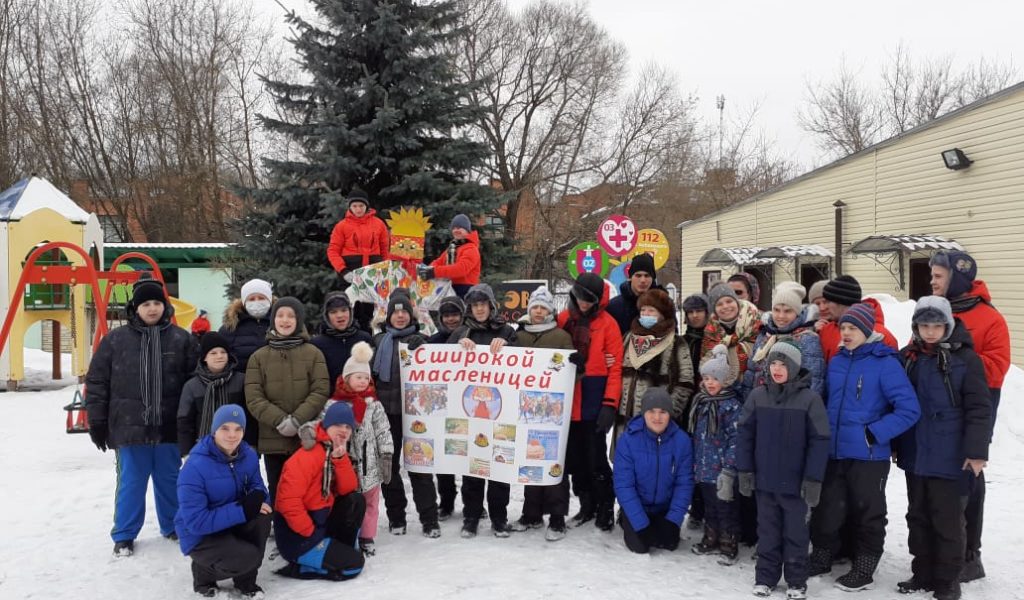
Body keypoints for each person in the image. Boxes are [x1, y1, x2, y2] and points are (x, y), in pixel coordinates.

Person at [809, 303, 920, 592]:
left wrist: (874, 434)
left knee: (867, 512)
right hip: (835, 451)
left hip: (869, 456)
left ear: (867, 331)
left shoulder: (885, 363)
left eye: (853, 328)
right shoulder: (837, 361)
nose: (845, 333)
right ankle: (821, 557)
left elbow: (909, 409)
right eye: (843, 328)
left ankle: (865, 567)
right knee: (827, 508)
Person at [85, 276, 198, 557]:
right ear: (135, 308)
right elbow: (97, 382)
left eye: (157, 303)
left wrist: (192, 422)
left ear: (165, 306)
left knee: (170, 479)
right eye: (145, 304)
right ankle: (124, 534)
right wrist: (97, 421)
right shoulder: (115, 341)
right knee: (130, 484)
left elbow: (195, 383)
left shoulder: (181, 339)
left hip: (169, 428)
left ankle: (173, 525)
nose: (152, 309)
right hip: (129, 428)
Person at [896, 296, 991, 600]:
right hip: (915, 452)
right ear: (916, 326)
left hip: (951, 456)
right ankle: (922, 572)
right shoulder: (908, 357)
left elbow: (979, 408)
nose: (931, 331)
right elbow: (898, 404)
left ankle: (948, 580)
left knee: (948, 520)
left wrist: (976, 452)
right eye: (924, 325)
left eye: (937, 325)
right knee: (918, 516)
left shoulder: (966, 360)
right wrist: (897, 445)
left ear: (947, 325)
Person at [929, 250, 1010, 583]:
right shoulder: (933, 312)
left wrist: (957, 362)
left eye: (938, 276)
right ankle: (940, 550)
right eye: (931, 275)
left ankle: (968, 555)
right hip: (937, 413)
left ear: (957, 277)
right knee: (937, 482)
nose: (931, 281)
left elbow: (997, 368)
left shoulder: (989, 318)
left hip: (974, 411)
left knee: (966, 479)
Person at [737, 341, 831, 599]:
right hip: (765, 483)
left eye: (783, 364)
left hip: (796, 486)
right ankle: (765, 578)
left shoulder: (810, 400)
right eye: (773, 364)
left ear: (795, 367)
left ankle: (796, 581)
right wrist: (745, 470)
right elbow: (745, 434)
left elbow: (820, 441)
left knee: (796, 535)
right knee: (767, 533)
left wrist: (813, 479)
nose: (777, 369)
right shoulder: (757, 396)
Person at [302, 341, 393, 557]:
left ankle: (367, 536)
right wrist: (309, 431)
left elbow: (383, 430)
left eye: (365, 378)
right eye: (357, 377)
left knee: (371, 503)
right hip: (343, 464)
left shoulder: (374, 405)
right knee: (347, 503)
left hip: (370, 466)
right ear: (346, 378)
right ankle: (348, 534)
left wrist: (386, 454)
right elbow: (321, 423)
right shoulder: (334, 403)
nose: (362, 381)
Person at [175, 404, 272, 598]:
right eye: (225, 428)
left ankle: (246, 581)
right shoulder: (194, 467)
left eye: (238, 429)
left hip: (230, 523)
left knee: (263, 516)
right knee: (248, 557)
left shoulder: (248, 455)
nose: (232, 435)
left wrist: (258, 497)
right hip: (199, 535)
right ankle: (204, 574)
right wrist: (242, 510)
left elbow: (258, 487)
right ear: (214, 431)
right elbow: (195, 522)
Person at [448, 283, 518, 537]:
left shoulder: (507, 331)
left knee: (499, 467)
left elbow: (523, 365)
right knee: (473, 468)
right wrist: (457, 345)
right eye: (475, 305)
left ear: (491, 305)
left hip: (500, 412)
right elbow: (444, 363)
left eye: (483, 304)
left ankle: (499, 518)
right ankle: (471, 517)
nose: (479, 309)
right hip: (471, 413)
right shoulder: (461, 332)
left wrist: (508, 346)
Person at [245, 297, 330, 503]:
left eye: (291, 316)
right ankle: (281, 530)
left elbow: (320, 390)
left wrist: (297, 420)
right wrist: (280, 421)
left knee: (307, 488)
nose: (285, 320)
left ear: (299, 320)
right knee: (278, 487)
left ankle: (306, 532)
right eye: (280, 315)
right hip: (273, 437)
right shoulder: (258, 357)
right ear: (273, 319)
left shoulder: (313, 353)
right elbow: (254, 397)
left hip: (305, 435)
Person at [557, 273, 623, 531]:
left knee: (596, 459)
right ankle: (586, 505)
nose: (584, 303)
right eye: (581, 297)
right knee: (575, 460)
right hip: (567, 401)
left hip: (594, 399)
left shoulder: (608, 324)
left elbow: (616, 367)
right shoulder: (563, 320)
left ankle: (605, 505)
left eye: (590, 300)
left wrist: (609, 404)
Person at [510, 285, 576, 541]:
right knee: (531, 461)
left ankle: (557, 517)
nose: (538, 312)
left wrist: (575, 366)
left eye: (543, 308)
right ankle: (531, 513)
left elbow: (571, 375)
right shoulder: (520, 335)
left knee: (554, 462)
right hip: (526, 410)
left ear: (550, 311)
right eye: (535, 307)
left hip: (553, 413)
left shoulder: (560, 336)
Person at [371, 290, 439, 537]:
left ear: (411, 314)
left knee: (420, 467)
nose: (400, 316)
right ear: (388, 315)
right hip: (386, 415)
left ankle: (429, 519)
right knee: (388, 468)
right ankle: (396, 517)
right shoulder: (378, 342)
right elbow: (369, 377)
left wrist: (426, 350)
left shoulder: (423, 340)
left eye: (404, 311)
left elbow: (438, 374)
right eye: (395, 312)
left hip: (416, 415)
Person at [274, 402, 366, 581]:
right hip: (298, 537)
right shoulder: (306, 456)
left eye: (348, 426)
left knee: (356, 500)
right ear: (326, 425)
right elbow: (288, 502)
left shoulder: (332, 450)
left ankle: (336, 549)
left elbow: (348, 489)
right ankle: (301, 568)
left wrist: (340, 460)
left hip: (320, 523)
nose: (344, 430)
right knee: (354, 565)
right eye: (338, 424)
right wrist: (310, 533)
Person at [613, 387, 694, 554]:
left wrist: (673, 520)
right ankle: (626, 517)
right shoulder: (628, 440)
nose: (657, 417)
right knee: (641, 546)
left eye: (663, 412)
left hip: (665, 507)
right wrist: (640, 524)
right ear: (644, 413)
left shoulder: (682, 441)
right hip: (639, 505)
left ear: (670, 414)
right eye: (651, 411)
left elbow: (684, 484)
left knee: (668, 543)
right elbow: (624, 485)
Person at [688, 344, 743, 564]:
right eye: (706, 378)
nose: (710, 383)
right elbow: (696, 435)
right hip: (703, 466)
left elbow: (736, 440)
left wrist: (729, 467)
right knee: (710, 506)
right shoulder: (701, 402)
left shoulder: (730, 406)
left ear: (725, 380)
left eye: (715, 379)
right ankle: (710, 538)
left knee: (726, 507)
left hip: (722, 469)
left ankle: (728, 543)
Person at [616, 289, 694, 442]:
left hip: (657, 422)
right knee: (626, 462)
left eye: (651, 310)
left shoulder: (675, 342)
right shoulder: (628, 338)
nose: (645, 314)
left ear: (663, 314)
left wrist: (667, 411)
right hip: (624, 421)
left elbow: (685, 383)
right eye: (643, 310)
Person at [741, 281, 825, 399]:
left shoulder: (806, 339)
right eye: (776, 310)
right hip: (760, 404)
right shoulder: (765, 336)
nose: (781, 316)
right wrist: (748, 405)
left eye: (787, 311)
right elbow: (751, 372)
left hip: (790, 408)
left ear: (797, 312)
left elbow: (813, 381)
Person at [220, 278, 275, 448]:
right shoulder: (230, 329)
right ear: (243, 302)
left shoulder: (281, 322)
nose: (256, 302)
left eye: (261, 298)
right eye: (251, 299)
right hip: (241, 400)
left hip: (275, 399)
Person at [425, 294, 466, 521]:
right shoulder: (433, 341)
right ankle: (447, 502)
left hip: (469, 406)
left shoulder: (474, 337)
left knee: (472, 457)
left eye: (455, 314)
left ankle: (474, 505)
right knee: (442, 458)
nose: (451, 319)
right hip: (442, 408)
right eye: (447, 315)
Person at [177, 333, 246, 457]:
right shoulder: (192, 386)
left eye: (223, 352)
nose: (219, 356)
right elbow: (184, 421)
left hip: (237, 448)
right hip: (203, 450)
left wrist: (251, 445)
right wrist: (187, 452)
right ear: (204, 357)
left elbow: (249, 418)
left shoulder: (241, 381)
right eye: (213, 353)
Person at [817, 275, 898, 363]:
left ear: (841, 302)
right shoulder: (826, 330)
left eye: (828, 302)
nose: (824, 307)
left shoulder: (881, 336)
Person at [681, 292, 710, 531]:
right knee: (689, 460)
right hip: (686, 405)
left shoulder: (714, 337)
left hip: (709, 401)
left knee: (707, 460)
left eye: (699, 311)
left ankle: (706, 508)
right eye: (690, 312)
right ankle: (694, 507)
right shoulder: (683, 340)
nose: (695, 316)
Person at [700, 282, 762, 390]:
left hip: (755, 386)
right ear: (714, 310)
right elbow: (706, 362)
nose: (725, 306)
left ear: (736, 302)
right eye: (719, 304)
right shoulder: (711, 330)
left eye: (729, 301)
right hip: (724, 389)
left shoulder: (755, 321)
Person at [310, 291, 373, 392]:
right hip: (331, 403)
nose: (339, 315)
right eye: (333, 312)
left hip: (362, 400)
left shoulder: (364, 339)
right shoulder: (317, 344)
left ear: (350, 312)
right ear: (327, 316)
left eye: (344, 310)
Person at [326, 186, 390, 275]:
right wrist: (343, 271)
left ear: (367, 206)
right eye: (354, 206)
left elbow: (385, 249)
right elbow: (333, 251)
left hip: (375, 272)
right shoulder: (341, 226)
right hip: (350, 272)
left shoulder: (379, 224)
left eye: (361, 206)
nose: (358, 209)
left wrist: (386, 267)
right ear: (350, 207)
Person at [417, 214, 481, 297]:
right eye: (454, 228)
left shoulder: (471, 249)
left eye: (459, 228)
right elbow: (438, 262)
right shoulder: (452, 248)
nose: (455, 230)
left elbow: (460, 269)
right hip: (449, 288)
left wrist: (434, 272)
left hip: (466, 291)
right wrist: (427, 270)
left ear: (467, 230)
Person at [606, 253, 664, 336]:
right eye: (638, 275)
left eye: (647, 276)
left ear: (653, 278)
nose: (643, 280)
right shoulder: (614, 307)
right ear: (630, 277)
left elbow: (673, 337)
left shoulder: (663, 304)